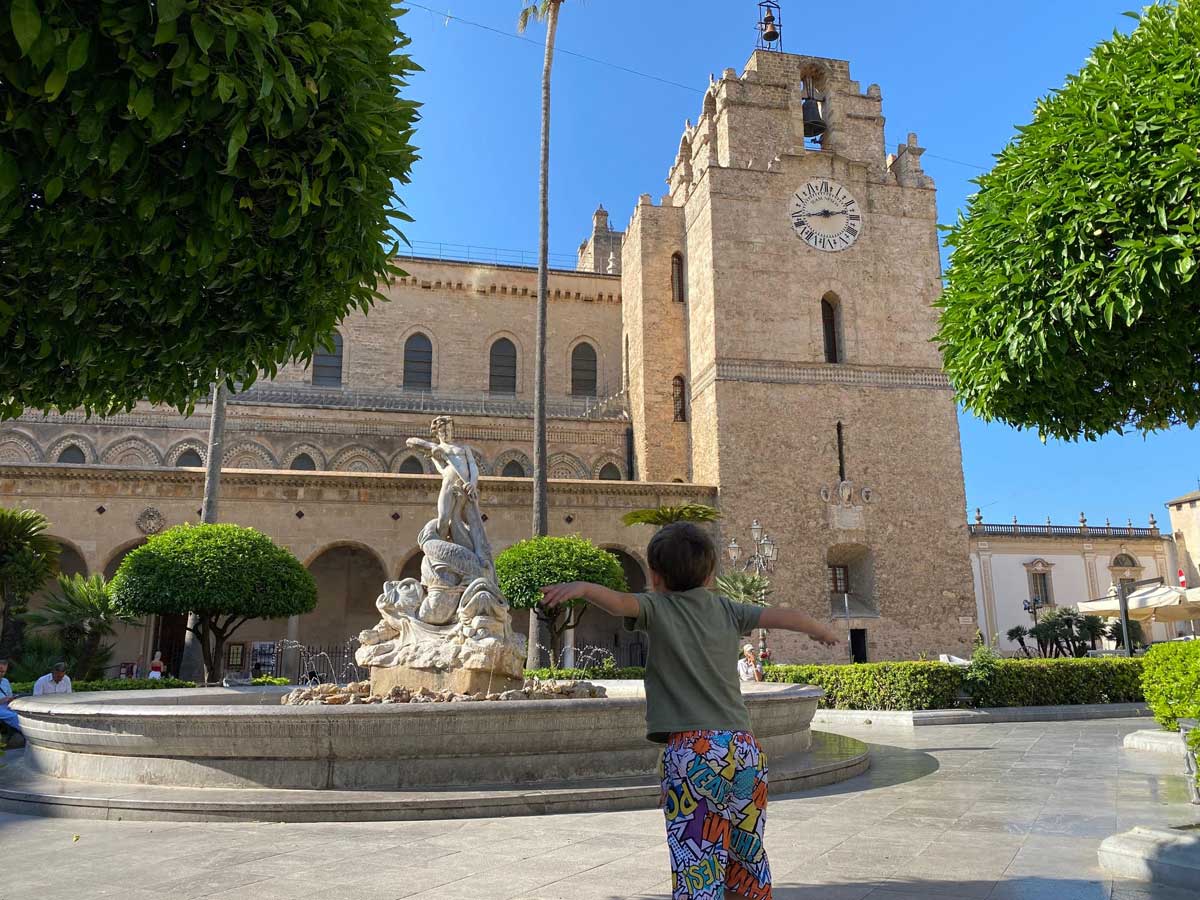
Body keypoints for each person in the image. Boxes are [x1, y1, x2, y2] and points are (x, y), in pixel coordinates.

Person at [541, 522, 840, 900]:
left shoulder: (655, 606)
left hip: (694, 754)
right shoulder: (727, 609)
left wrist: (582, 588)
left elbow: (617, 602)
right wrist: (818, 629)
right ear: (711, 573)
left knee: (698, 862)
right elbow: (780, 616)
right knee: (746, 855)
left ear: (654, 576)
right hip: (743, 749)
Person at [0, 658, 21, 741]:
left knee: (22, 713)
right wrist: (2, 701)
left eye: (3, 672)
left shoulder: (5, 681)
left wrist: (11, 699)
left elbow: (10, 696)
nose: (1, 674)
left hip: (7, 705)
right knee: (14, 716)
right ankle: (30, 735)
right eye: (0, 671)